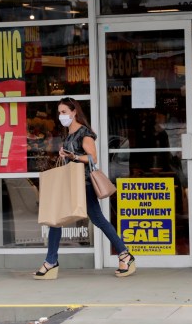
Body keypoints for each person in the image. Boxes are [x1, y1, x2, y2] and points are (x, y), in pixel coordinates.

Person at [33, 97, 135, 280]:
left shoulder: (84, 133)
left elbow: (93, 158)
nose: (61, 116)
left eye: (64, 112)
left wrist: (74, 156)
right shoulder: (70, 134)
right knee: (55, 219)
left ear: (74, 112)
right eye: (59, 112)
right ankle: (50, 262)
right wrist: (65, 154)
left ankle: (125, 254)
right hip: (71, 182)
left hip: (83, 183)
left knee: (98, 220)